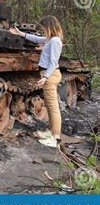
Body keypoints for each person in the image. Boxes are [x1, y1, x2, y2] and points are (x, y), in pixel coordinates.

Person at [9, 16, 64, 148]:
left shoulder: (55, 41)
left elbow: (53, 62)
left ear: (49, 26)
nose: (43, 29)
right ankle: (51, 132)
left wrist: (45, 77)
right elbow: (36, 39)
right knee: (50, 106)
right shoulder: (50, 39)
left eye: (44, 27)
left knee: (53, 107)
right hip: (47, 74)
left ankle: (56, 137)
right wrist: (20, 33)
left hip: (50, 75)